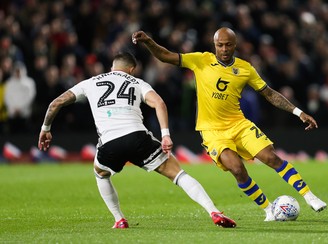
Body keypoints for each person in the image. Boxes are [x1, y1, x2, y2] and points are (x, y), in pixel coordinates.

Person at [132, 27, 327, 221]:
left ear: (235, 45)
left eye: (228, 45)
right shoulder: (201, 60)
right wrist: (149, 41)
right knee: (236, 168)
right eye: (220, 45)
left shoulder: (245, 68)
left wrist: (298, 112)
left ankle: (310, 197)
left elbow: (269, 93)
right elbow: (166, 56)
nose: (224, 49)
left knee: (271, 158)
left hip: (239, 124)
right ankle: (268, 209)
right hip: (212, 131)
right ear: (214, 45)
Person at [37, 52, 236, 228]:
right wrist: (165, 134)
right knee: (177, 174)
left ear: (112, 67)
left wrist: (45, 129)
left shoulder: (90, 82)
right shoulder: (138, 83)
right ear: (131, 69)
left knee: (100, 173)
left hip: (110, 142)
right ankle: (213, 211)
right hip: (138, 137)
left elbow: (56, 103)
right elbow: (159, 103)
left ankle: (119, 219)